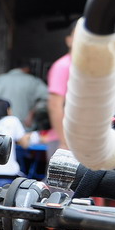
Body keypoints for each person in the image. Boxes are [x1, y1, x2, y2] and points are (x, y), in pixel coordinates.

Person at [0, 100, 37, 187]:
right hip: (8, 175)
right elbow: (25, 144)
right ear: (7, 110)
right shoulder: (12, 121)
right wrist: (30, 136)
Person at [0, 58, 49, 128]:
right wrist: (32, 113)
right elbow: (49, 99)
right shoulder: (33, 81)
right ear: (27, 69)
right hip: (24, 127)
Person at [46, 20, 77, 158]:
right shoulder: (63, 66)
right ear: (69, 40)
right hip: (65, 142)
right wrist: (64, 141)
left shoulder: (91, 69)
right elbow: (54, 105)